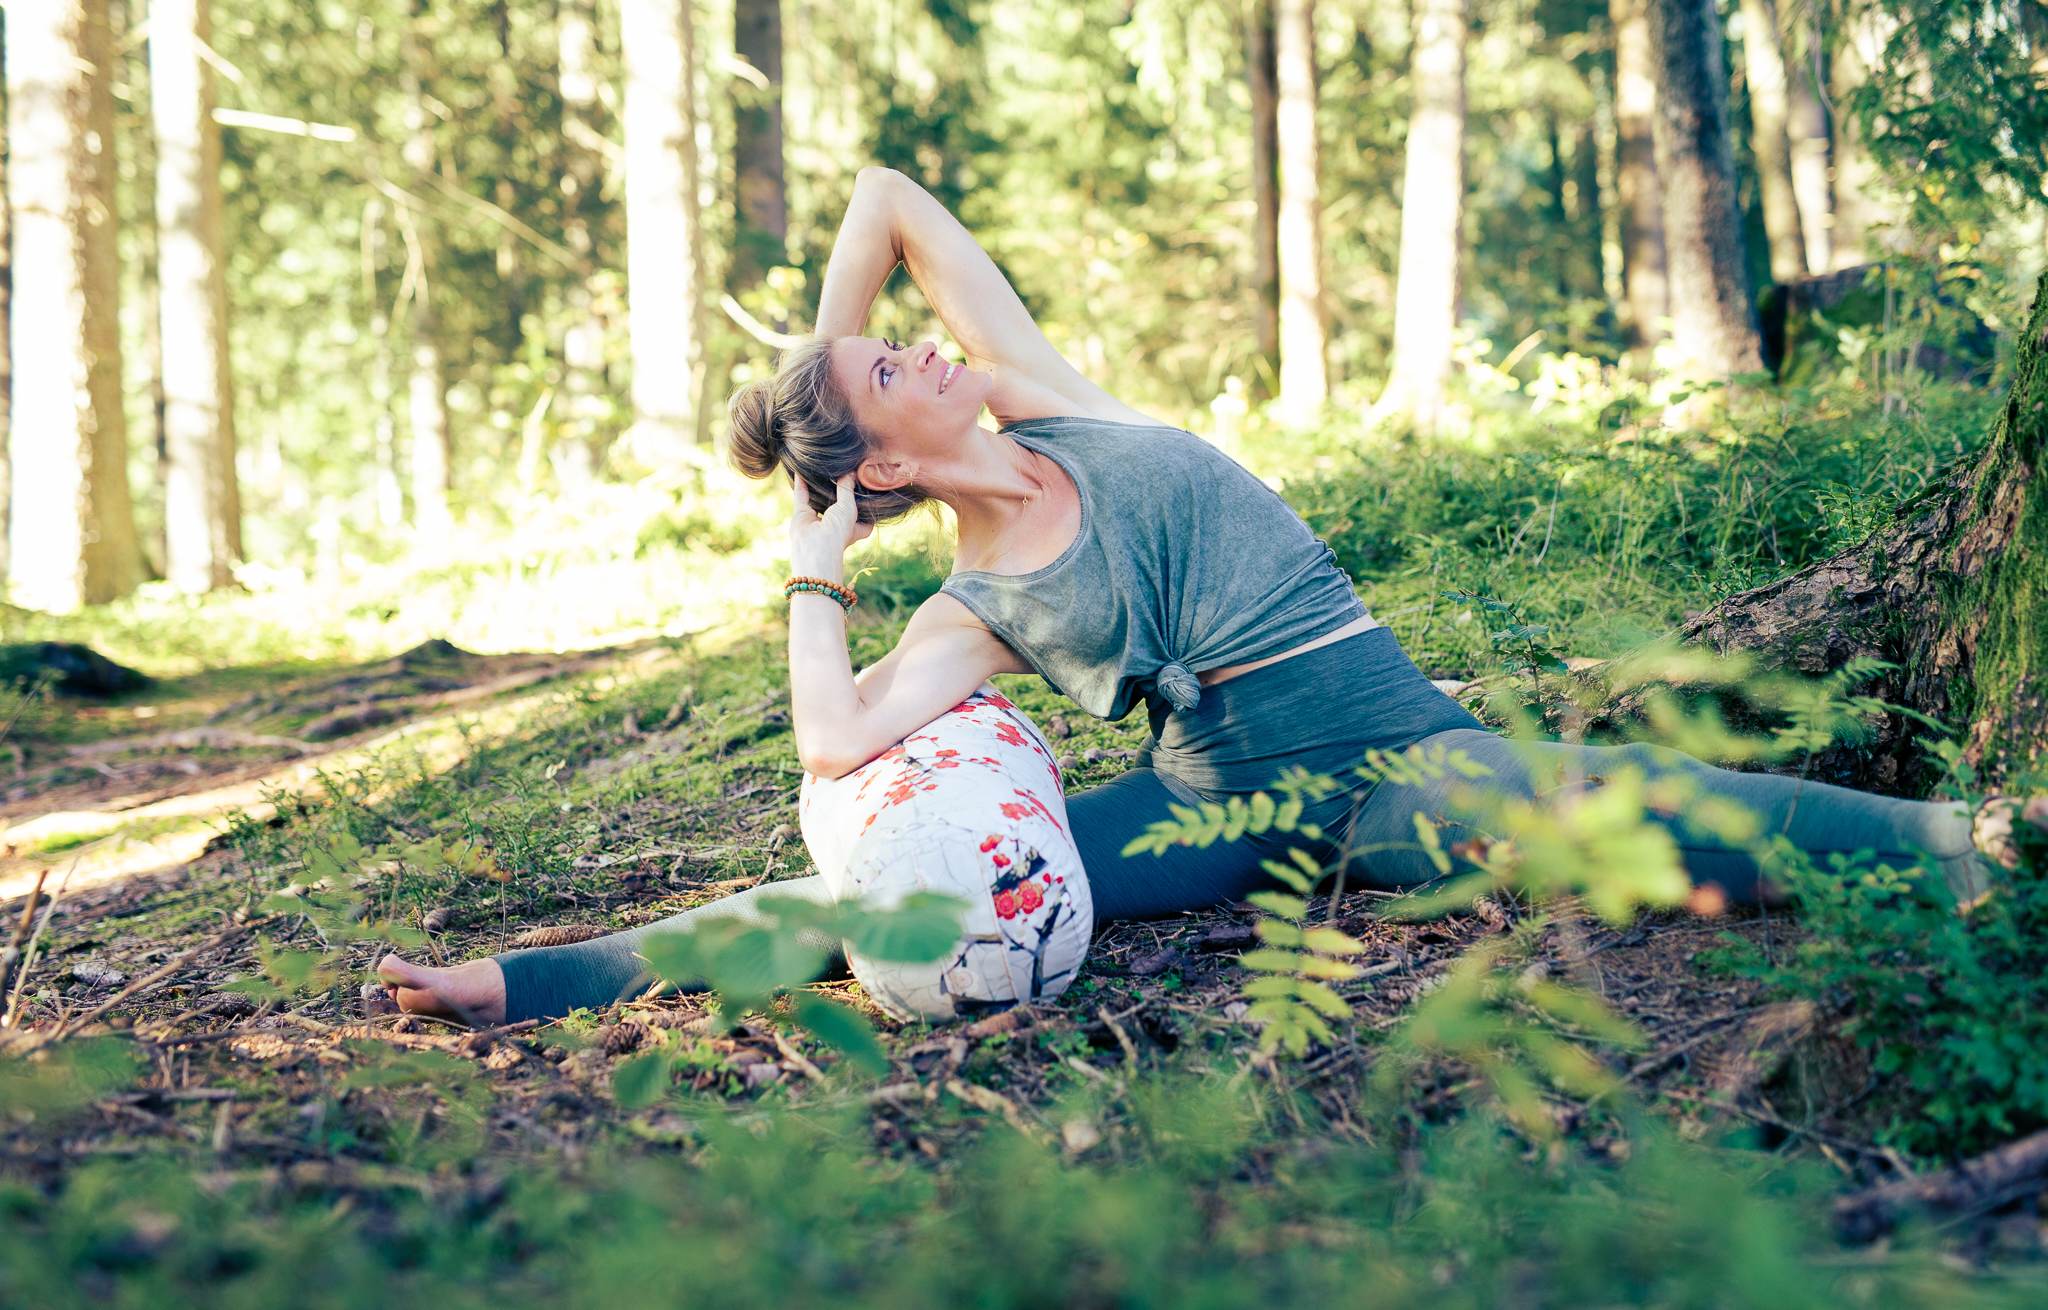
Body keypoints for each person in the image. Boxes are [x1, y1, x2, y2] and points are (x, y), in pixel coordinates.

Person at [380, 167, 2008, 1026]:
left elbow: (881, 195)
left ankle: (1985, 863)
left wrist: (827, 367)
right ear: (883, 464)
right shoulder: (972, 607)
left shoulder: (1043, 393)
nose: (925, 345)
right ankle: (530, 976)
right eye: (896, 368)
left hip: (1404, 750)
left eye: (900, 342)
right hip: (1211, 813)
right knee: (911, 898)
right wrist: (816, 539)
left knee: (1651, 803)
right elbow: (832, 738)